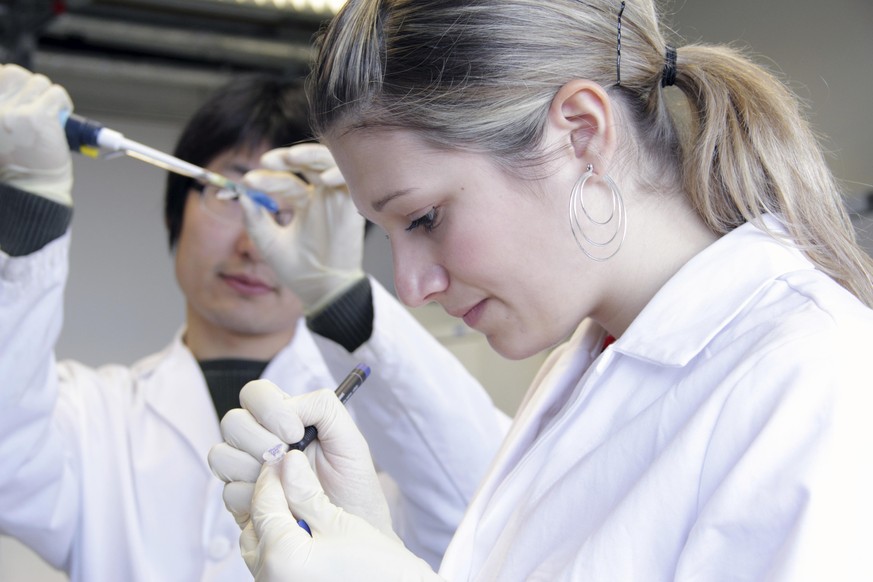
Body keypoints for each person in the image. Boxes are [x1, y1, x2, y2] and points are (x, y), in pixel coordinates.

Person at [207, 0, 873, 580]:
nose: (410, 286)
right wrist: (364, 537)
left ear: (580, 133)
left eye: (424, 218)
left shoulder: (814, 377)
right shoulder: (589, 361)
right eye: (387, 234)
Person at [0, 63, 507, 581]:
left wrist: (339, 296)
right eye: (231, 194)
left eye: (287, 208)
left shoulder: (374, 423)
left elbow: (490, 500)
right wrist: (29, 219)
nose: (252, 245)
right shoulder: (90, 418)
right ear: (178, 210)